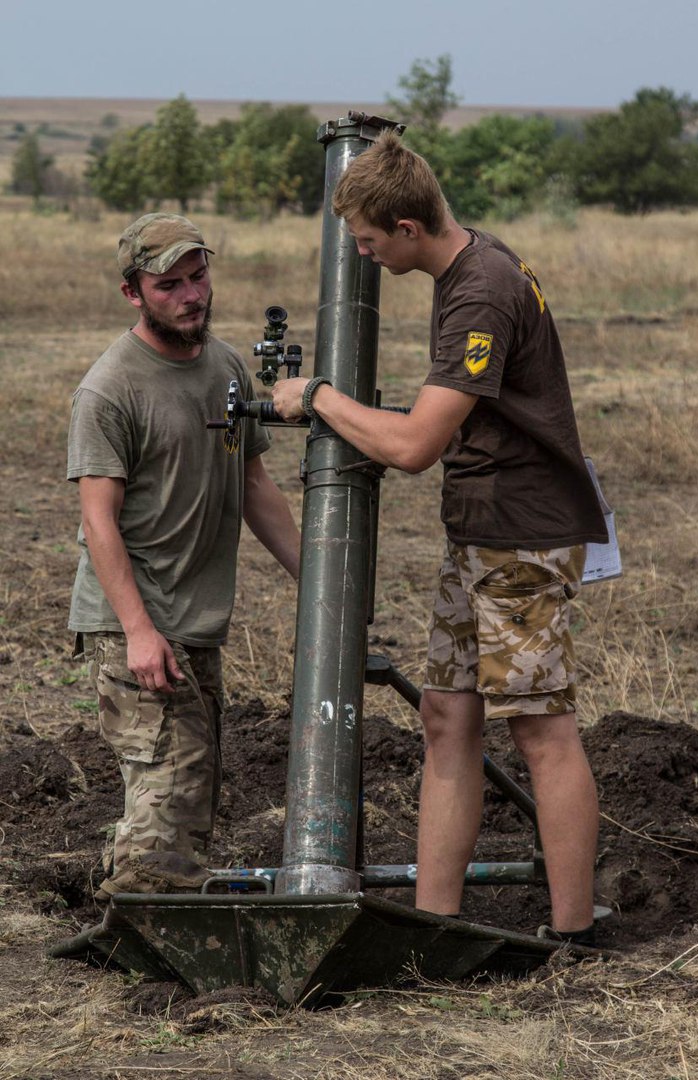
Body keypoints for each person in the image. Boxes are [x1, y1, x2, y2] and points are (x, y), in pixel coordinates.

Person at [272, 132, 608, 945]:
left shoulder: (480, 293)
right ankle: (435, 922)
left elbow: (415, 446)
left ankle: (573, 937)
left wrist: (316, 395)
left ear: (408, 228)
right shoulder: (466, 270)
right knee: (448, 721)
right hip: (480, 534)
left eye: (367, 240)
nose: (362, 254)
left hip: (520, 540)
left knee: (539, 728)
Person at [68, 212, 300, 901]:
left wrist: (319, 580)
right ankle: (151, 948)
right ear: (132, 294)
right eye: (169, 284)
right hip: (132, 624)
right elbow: (97, 521)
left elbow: (254, 485)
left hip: (196, 623)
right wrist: (140, 631)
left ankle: (133, 914)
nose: (192, 295)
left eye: (198, 277)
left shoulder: (225, 367)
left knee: (184, 785)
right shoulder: (110, 388)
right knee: (172, 779)